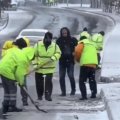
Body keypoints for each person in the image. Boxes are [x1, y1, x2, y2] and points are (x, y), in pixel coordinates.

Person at [0, 38, 29, 115]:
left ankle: (5, 105)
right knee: (13, 90)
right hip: (8, 71)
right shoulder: (21, 55)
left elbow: (5, 56)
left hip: (1, 69)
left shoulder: (10, 50)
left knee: (7, 90)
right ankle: (12, 106)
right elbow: (19, 72)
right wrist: (21, 82)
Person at [33, 32, 61, 101]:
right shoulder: (38, 45)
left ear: (51, 39)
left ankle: (48, 96)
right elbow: (34, 56)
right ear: (44, 38)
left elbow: (58, 53)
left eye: (50, 39)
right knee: (39, 83)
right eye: (47, 39)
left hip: (49, 68)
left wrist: (54, 57)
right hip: (39, 68)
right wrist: (35, 64)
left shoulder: (54, 46)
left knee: (48, 82)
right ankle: (40, 96)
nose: (48, 40)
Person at [74, 36, 98, 100]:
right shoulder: (92, 44)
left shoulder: (82, 43)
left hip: (85, 64)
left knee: (82, 81)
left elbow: (77, 51)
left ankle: (84, 96)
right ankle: (93, 94)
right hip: (93, 64)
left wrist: (78, 59)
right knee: (92, 80)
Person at [56, 27, 78, 96]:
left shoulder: (73, 40)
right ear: (61, 33)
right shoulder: (59, 41)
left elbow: (78, 48)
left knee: (71, 76)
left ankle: (73, 90)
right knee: (61, 77)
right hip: (62, 61)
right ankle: (63, 92)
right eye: (63, 33)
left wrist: (75, 52)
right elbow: (56, 50)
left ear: (68, 32)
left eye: (65, 32)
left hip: (70, 61)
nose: (64, 34)